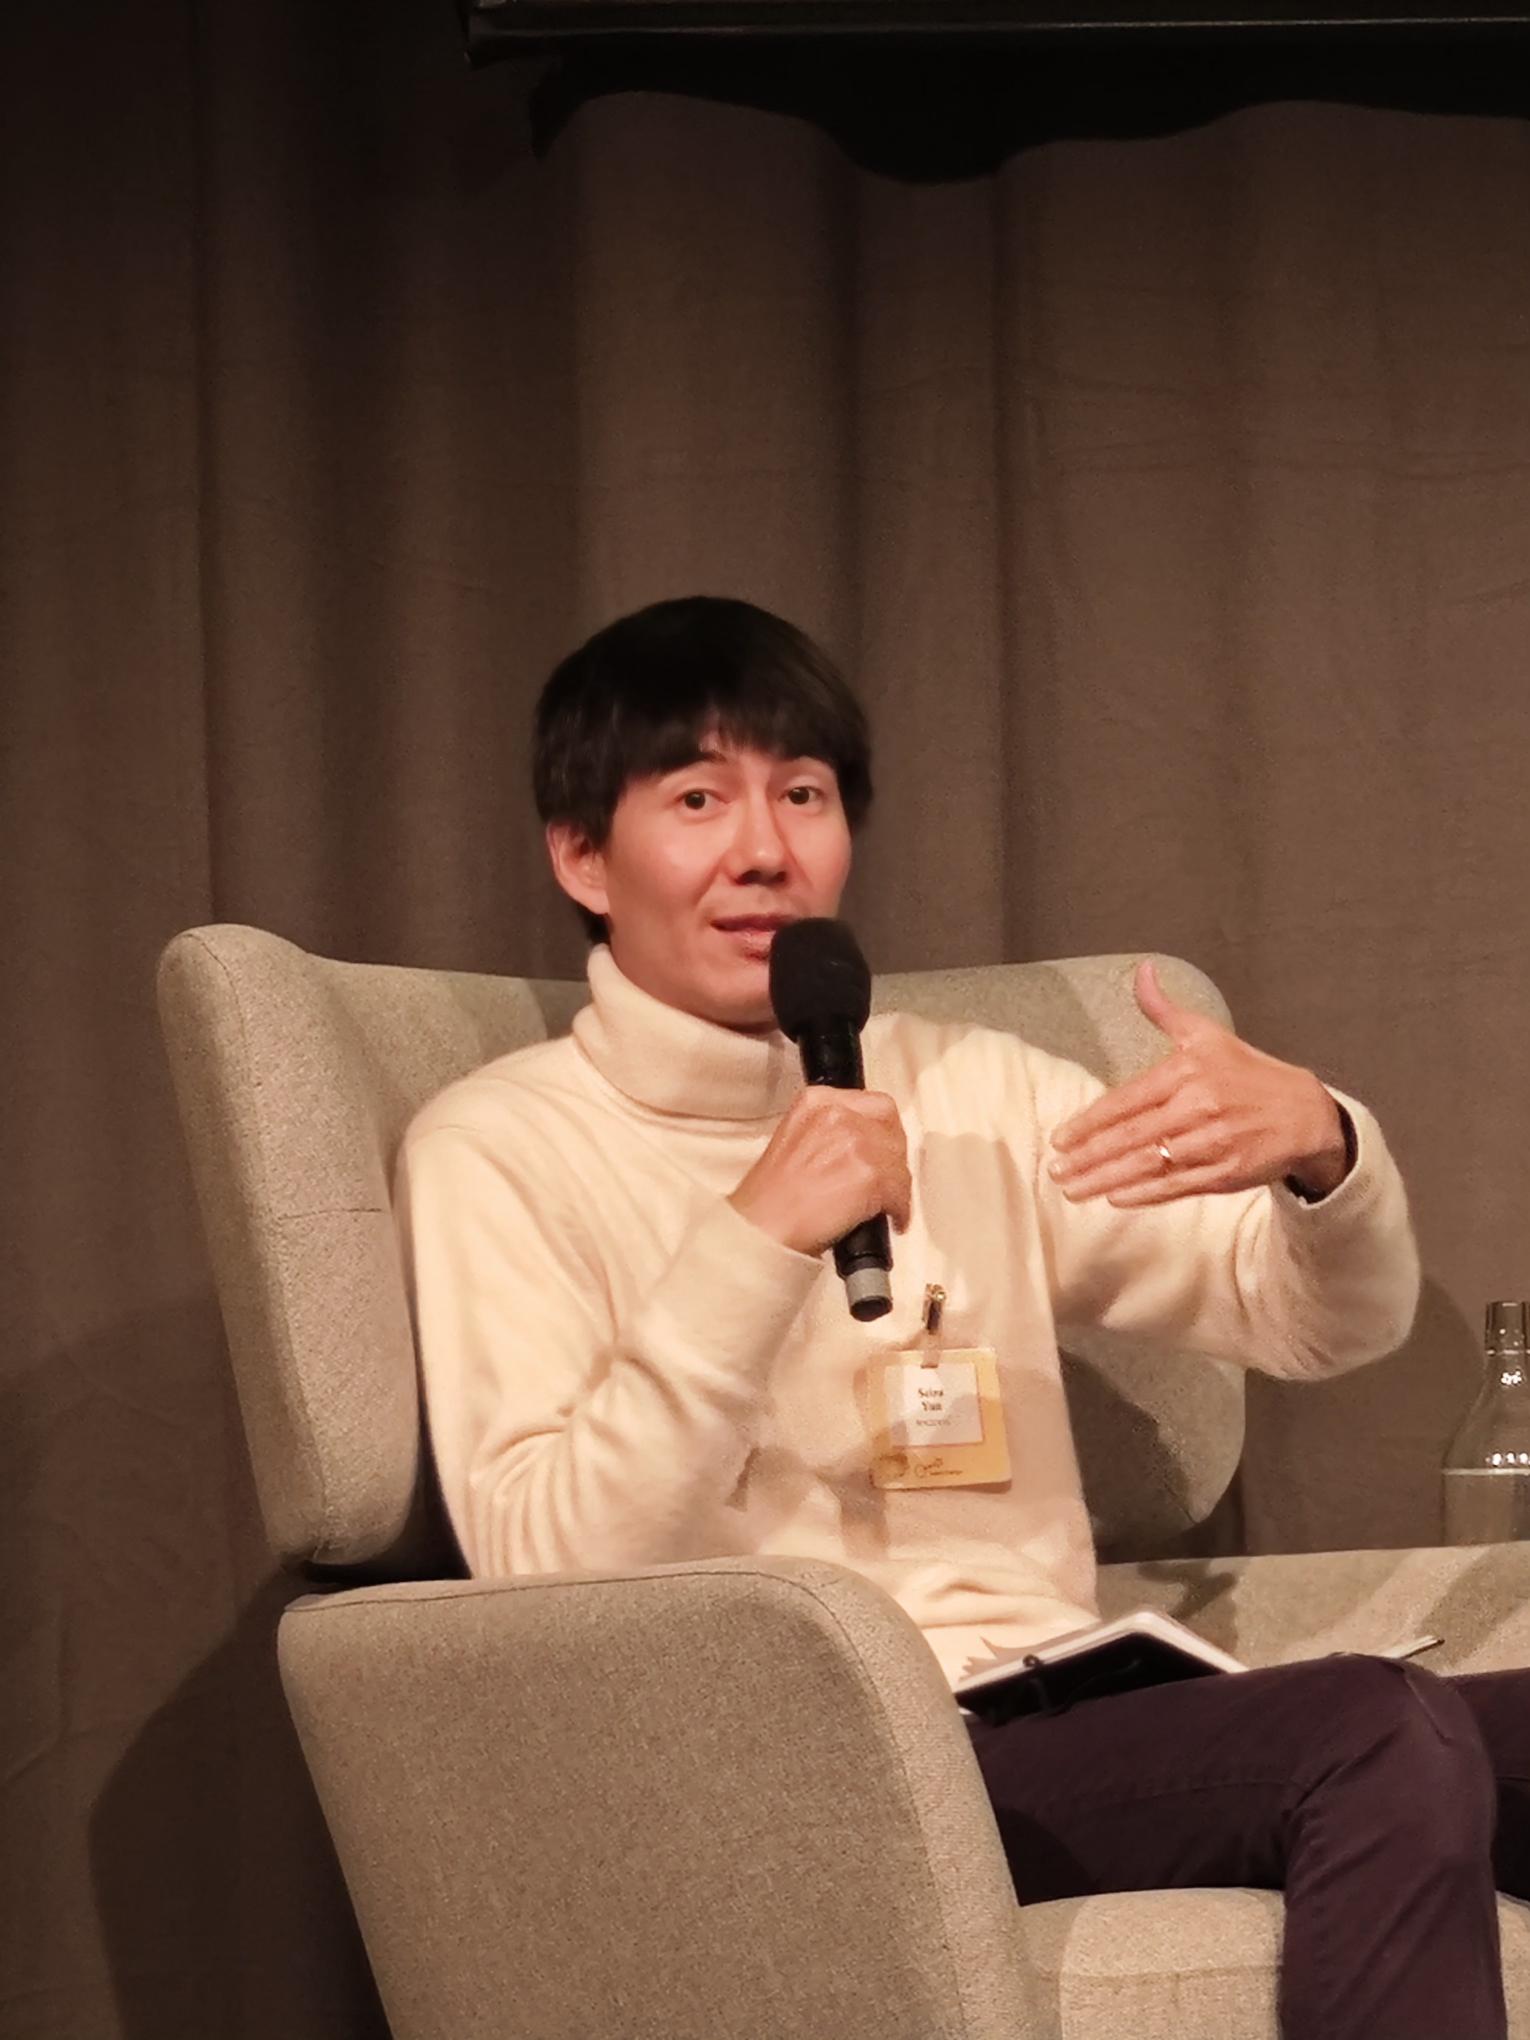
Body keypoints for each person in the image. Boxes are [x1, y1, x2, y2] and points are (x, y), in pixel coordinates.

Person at [395, 593, 1529, 2039]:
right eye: (698, 799)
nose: (765, 849)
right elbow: (546, 1565)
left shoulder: (969, 1090)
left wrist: (1323, 1148)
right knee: (1370, 1730)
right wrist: (756, 1240)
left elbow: (1318, 1324)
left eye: (803, 795)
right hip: (791, 1769)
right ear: (580, 855)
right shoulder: (500, 1148)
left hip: (1056, 1715)